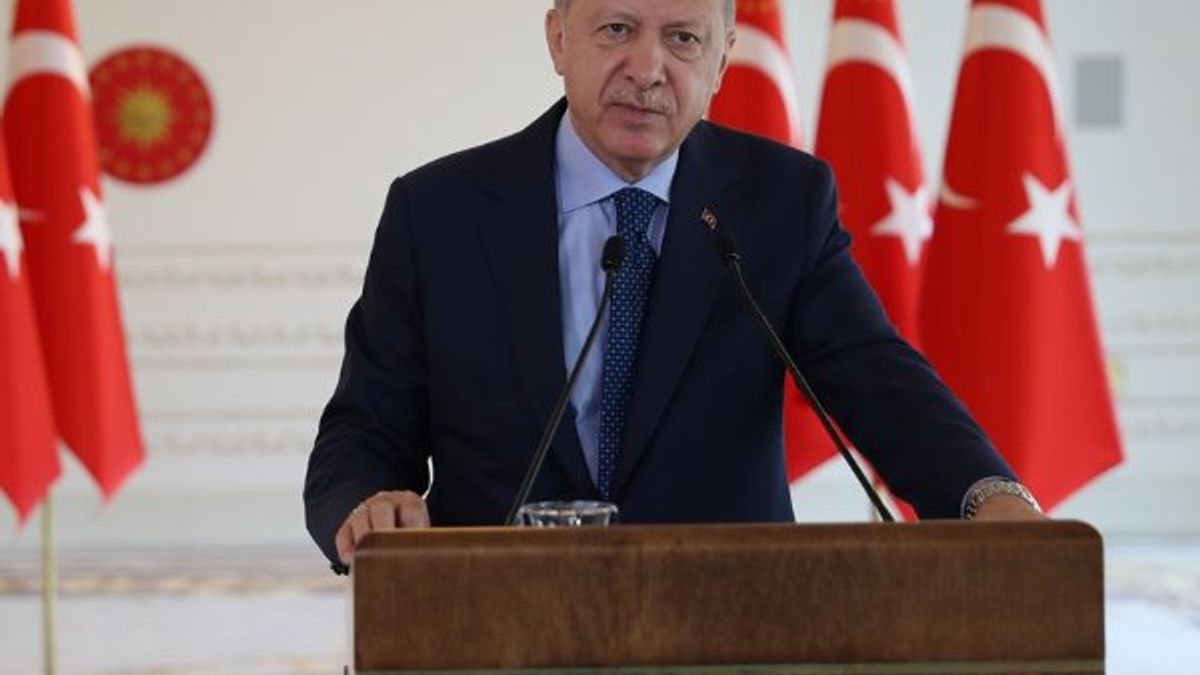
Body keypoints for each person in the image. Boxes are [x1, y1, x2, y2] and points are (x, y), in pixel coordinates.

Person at [304, 0, 1041, 571]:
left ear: (721, 61)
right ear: (558, 39)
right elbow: (365, 428)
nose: (648, 68)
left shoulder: (782, 202)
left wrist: (986, 495)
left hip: (730, 618)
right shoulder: (439, 212)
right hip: (492, 619)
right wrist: (365, 505)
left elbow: (876, 377)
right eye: (617, 29)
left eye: (683, 38)